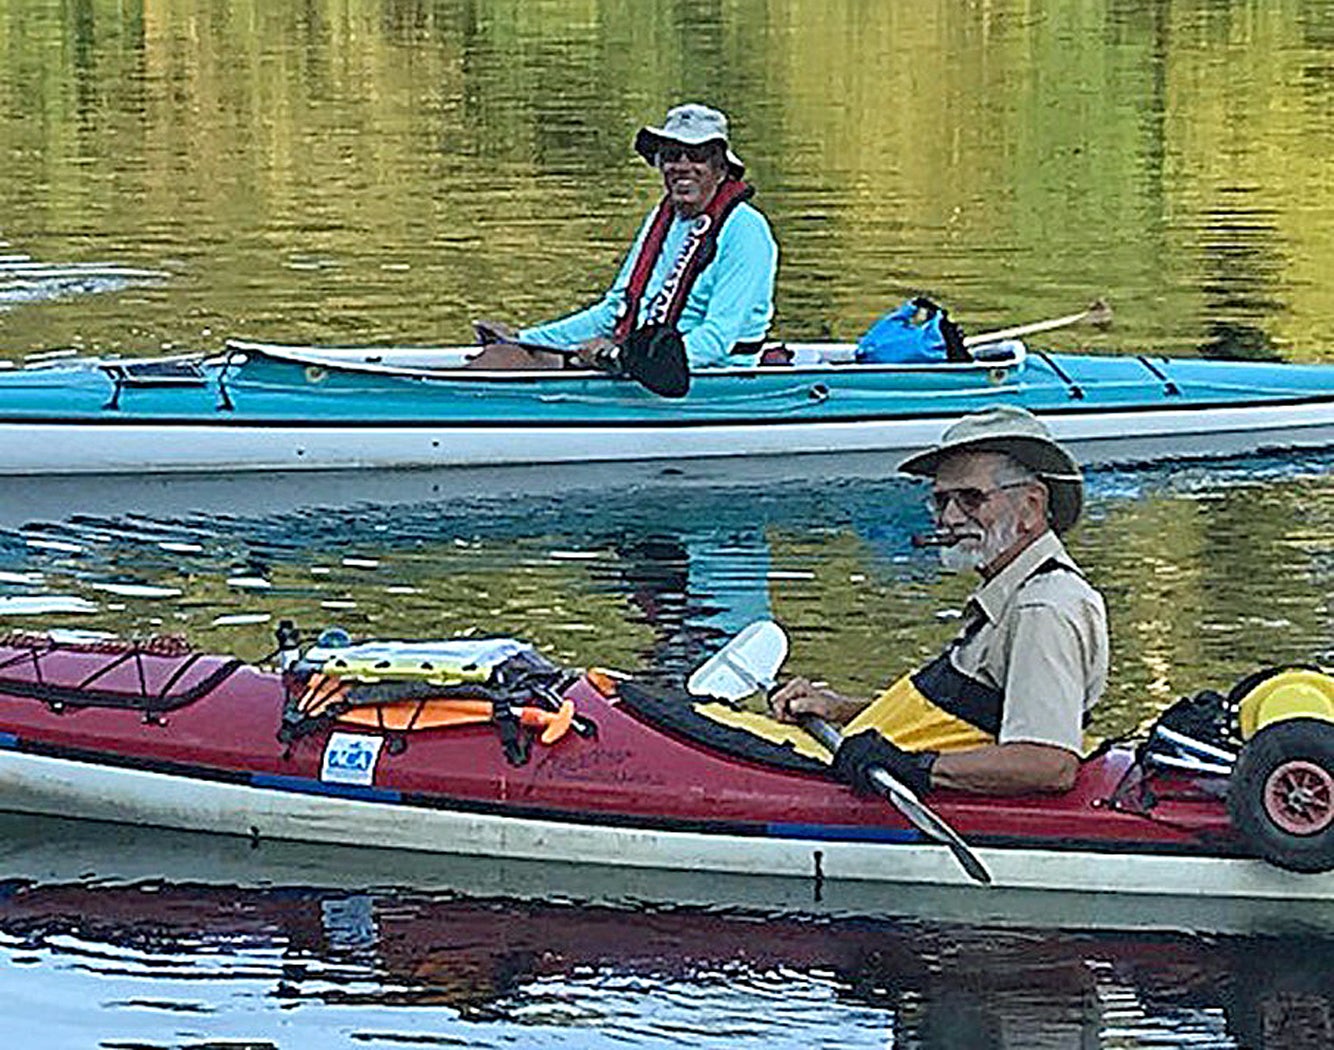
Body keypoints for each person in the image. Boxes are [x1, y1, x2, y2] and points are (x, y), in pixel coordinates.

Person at [769, 405, 1108, 797]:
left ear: (1031, 506)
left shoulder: (1044, 608)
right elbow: (972, 715)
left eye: (970, 499)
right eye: (941, 501)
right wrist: (838, 709)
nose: (949, 517)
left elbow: (1048, 763)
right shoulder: (1012, 592)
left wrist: (914, 768)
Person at [469, 103, 778, 372]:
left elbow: (717, 338)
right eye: (672, 155)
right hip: (637, 362)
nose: (683, 167)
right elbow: (615, 311)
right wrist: (522, 339)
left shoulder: (746, 231)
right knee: (503, 357)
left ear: (720, 169)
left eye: (697, 156)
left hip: (703, 375)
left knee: (504, 362)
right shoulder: (664, 220)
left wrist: (621, 357)